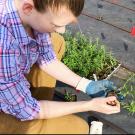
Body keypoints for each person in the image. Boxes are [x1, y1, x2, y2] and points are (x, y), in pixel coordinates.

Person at [0, 0, 120, 134]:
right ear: (28, 8)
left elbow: (48, 59)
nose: (62, 30)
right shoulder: (4, 44)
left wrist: (86, 85)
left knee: (57, 41)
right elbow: (27, 109)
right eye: (56, 24)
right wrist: (89, 105)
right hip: (6, 107)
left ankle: (43, 105)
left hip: (9, 85)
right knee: (78, 128)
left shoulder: (30, 12)